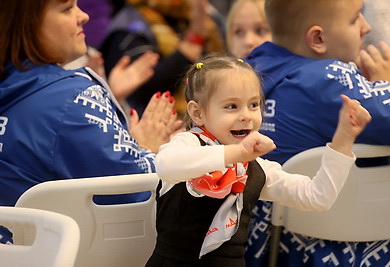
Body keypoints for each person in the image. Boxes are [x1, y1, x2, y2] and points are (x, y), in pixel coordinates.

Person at [145, 54, 371, 266]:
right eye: (231, 106)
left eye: (253, 104)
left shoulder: (256, 168)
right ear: (197, 113)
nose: (246, 115)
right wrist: (237, 154)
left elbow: (316, 197)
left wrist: (343, 140)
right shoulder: (189, 144)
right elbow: (166, 165)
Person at [0, 0, 181, 244]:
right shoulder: (75, 98)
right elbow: (138, 195)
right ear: (25, 23)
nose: (83, 16)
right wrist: (146, 148)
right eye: (67, 8)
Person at [244, 0, 390, 266]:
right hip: (340, 251)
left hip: (271, 249)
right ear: (317, 38)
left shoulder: (246, 72)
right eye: (355, 19)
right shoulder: (327, 79)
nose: (367, 27)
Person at [100, 0, 226, 116]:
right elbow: (148, 87)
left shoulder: (197, 15)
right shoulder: (128, 26)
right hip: (150, 125)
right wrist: (194, 40)